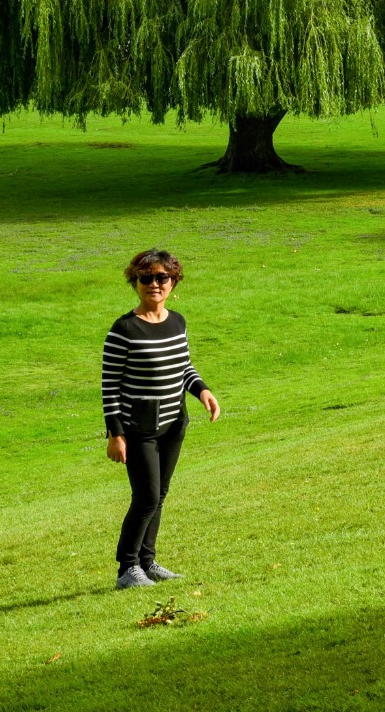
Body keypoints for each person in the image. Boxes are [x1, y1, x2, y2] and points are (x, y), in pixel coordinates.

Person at [103, 248, 220, 591]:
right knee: (146, 496)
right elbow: (109, 387)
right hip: (138, 429)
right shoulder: (123, 330)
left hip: (173, 424)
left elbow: (184, 366)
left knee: (160, 494)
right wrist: (116, 434)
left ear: (173, 282)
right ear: (135, 282)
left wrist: (202, 391)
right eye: (146, 278)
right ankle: (127, 569)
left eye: (161, 277)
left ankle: (147, 562)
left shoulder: (177, 321)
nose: (154, 284)